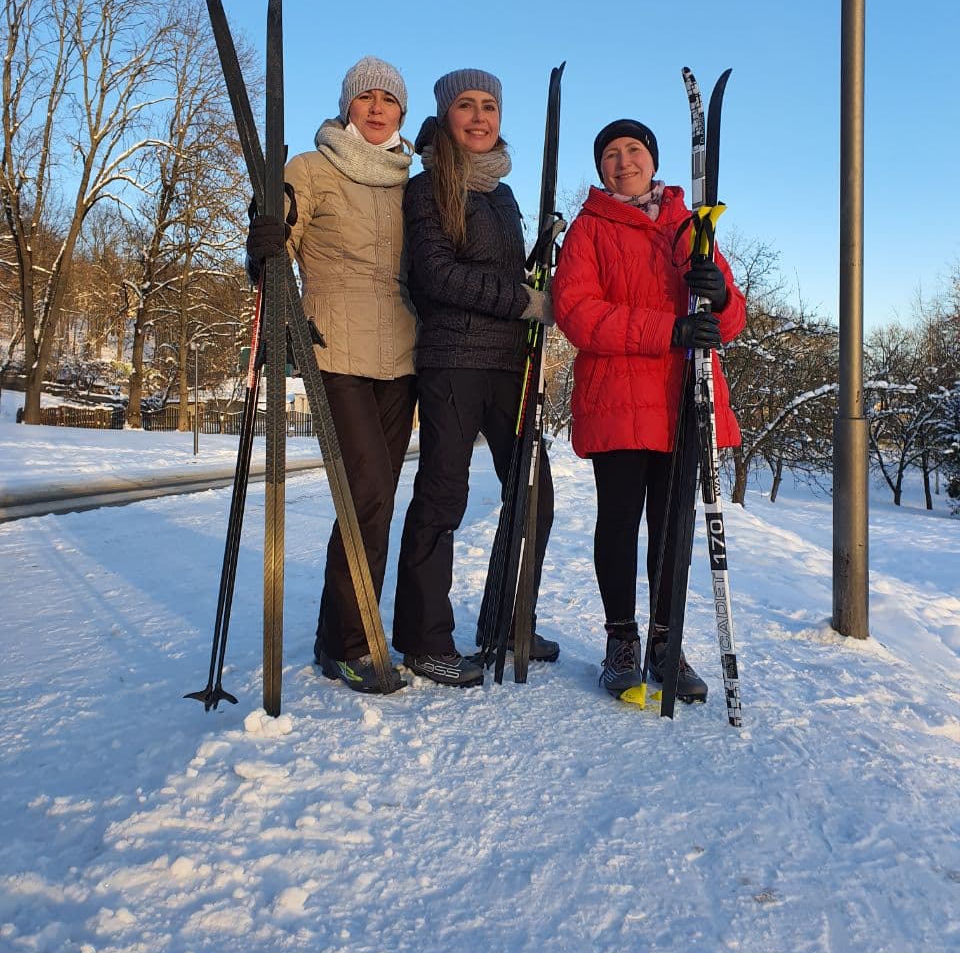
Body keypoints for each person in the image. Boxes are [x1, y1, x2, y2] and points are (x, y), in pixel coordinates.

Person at [551, 117, 746, 702]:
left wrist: (718, 294)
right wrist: (670, 329)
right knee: (618, 523)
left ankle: (667, 641)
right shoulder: (588, 229)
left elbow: (729, 322)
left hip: (683, 397)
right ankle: (621, 641)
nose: (623, 161)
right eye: (610, 154)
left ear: (653, 161)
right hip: (617, 398)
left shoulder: (690, 226)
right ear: (601, 169)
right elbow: (577, 313)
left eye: (633, 149)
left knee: (672, 528)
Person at [246, 57, 417, 694]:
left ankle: (338, 633)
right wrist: (263, 242)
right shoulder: (310, 169)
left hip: (402, 360)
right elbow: (276, 246)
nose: (376, 108)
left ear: (401, 113)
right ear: (347, 106)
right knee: (364, 493)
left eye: (388, 100)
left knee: (378, 503)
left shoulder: (411, 185)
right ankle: (352, 644)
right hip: (335, 351)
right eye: (365, 97)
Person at [391, 69, 557, 687]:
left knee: (534, 496)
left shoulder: (503, 194)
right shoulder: (427, 187)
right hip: (454, 361)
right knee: (442, 499)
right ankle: (424, 639)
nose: (480, 116)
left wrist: (540, 269)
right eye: (467, 105)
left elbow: (505, 272)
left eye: (490, 105)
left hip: (511, 365)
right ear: (446, 116)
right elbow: (436, 276)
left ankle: (507, 620)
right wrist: (523, 300)